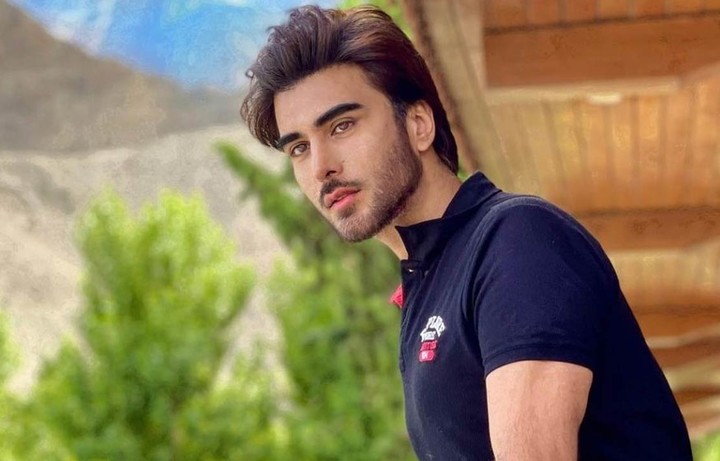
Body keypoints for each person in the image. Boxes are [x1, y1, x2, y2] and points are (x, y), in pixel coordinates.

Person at [240, 5, 693, 460]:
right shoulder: (429, 285)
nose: (321, 166)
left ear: (418, 125)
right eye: (299, 148)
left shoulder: (516, 241)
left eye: (341, 126)